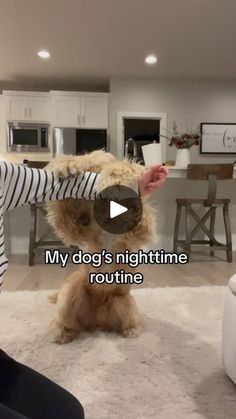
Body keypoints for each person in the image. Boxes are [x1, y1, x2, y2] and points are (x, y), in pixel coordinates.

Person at [0, 160, 168, 419]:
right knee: (72, 294)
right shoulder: (87, 223)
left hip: (116, 286)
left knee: (68, 412)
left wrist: (133, 185)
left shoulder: (4, 177)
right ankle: (66, 324)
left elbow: (55, 184)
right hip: (89, 281)